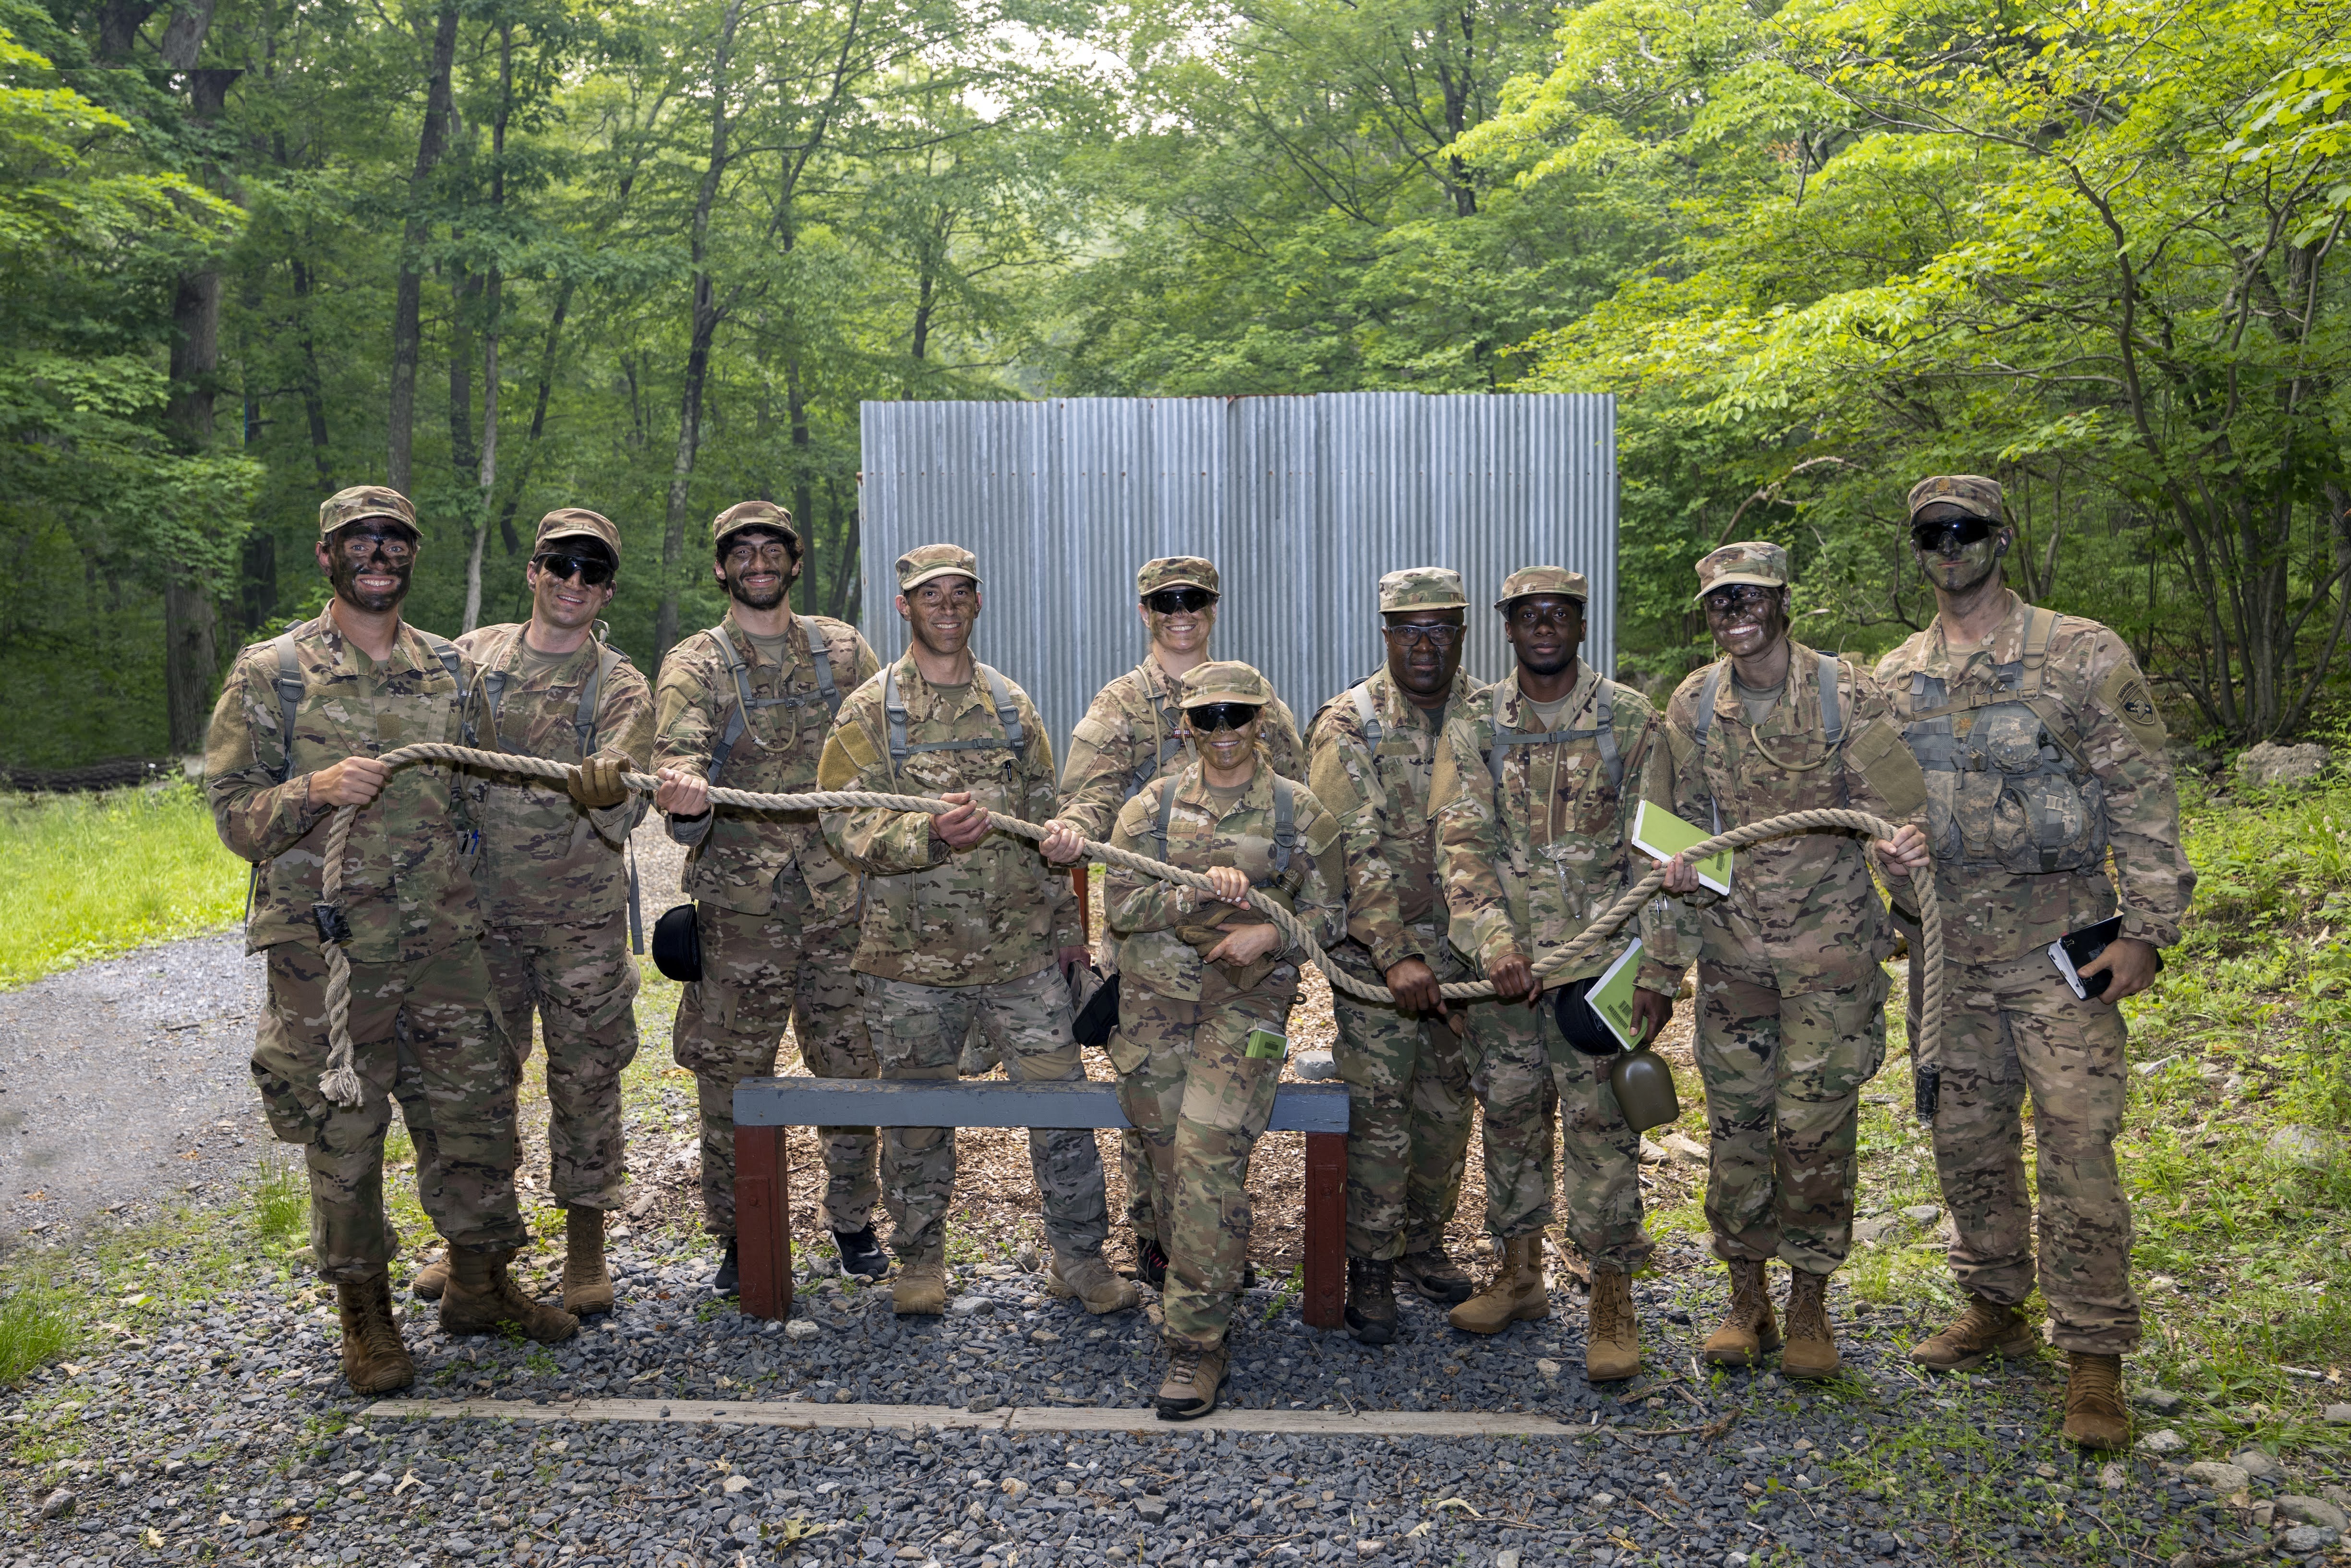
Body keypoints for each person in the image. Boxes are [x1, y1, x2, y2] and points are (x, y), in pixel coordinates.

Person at [205, 485, 573, 1397]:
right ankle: (364, 1317)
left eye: (394, 540)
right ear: (327, 556)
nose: (378, 553)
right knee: (345, 1130)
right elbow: (233, 817)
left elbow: (485, 791)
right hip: (328, 950)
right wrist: (314, 789)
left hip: (444, 939)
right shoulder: (273, 672)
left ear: (412, 555)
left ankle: (481, 1285)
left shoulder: (451, 671)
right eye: (358, 541)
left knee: (475, 1110)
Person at [1876, 475, 2194, 1449]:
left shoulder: (2079, 653)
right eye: (1934, 535)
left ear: (2000, 540)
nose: (1951, 549)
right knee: (1964, 1141)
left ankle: (2093, 1355)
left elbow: (2140, 787)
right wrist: (1890, 860)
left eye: (1968, 532)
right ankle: (1994, 1302)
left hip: (2062, 946)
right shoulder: (1893, 678)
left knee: (2077, 1148)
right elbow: (1878, 807)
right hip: (1950, 956)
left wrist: (2146, 927)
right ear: (1917, 550)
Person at [817, 543, 1134, 1317]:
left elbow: (1043, 827)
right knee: (917, 1120)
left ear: (977, 603)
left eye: (961, 593)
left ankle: (1080, 1260)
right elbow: (838, 821)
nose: (947, 607)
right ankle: (920, 1260)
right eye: (932, 596)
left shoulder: (1009, 706)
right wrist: (926, 838)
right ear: (905, 608)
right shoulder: (870, 710)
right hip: (909, 964)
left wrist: (1068, 929)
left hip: (1019, 957)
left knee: (1062, 1110)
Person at [1658, 542, 1930, 1378]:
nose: (1734, 611)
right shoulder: (1694, 704)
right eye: (1718, 601)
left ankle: (1811, 1301)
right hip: (1734, 954)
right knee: (1737, 1129)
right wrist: (1675, 867)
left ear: (1782, 603)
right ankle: (1747, 1301)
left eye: (1749, 596)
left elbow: (1901, 811)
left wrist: (1902, 864)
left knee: (1813, 1129)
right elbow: (1674, 820)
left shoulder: (1844, 692)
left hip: (1829, 957)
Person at [1429, 566, 1696, 1381]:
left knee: (1600, 1131)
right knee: (1508, 1119)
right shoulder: (1474, 721)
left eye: (1559, 615)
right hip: (1507, 971)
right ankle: (1519, 1274)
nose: (1543, 627)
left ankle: (1611, 1295)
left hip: (1599, 967)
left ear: (1579, 624)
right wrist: (1494, 945)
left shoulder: (1628, 719)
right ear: (1507, 628)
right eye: (1527, 616)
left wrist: (1658, 967)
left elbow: (1668, 850)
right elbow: (1459, 842)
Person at [397, 510, 652, 1316]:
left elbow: (628, 777)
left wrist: (611, 777)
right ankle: (470, 1244)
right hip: (476, 916)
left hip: (579, 920)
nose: (574, 582)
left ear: (606, 588)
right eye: (560, 565)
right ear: (534, 572)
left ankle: (584, 1248)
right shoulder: (470, 660)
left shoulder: (620, 683)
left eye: (591, 570)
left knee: (587, 1077)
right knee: (473, 1082)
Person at [649, 501, 885, 1293]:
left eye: (771, 550)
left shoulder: (844, 650)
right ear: (721, 567)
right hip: (740, 916)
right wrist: (683, 787)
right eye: (741, 552)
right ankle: (741, 1232)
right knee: (733, 1079)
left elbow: (883, 745)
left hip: (839, 905)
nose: (757, 562)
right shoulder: (697, 661)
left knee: (850, 1068)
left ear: (794, 559)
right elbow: (677, 746)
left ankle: (853, 1219)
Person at [1051, 556, 1307, 1285]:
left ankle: (1212, 1239)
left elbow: (1297, 802)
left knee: (1224, 1111)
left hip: (1243, 944)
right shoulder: (1122, 705)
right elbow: (1088, 796)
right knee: (1154, 1106)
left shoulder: (1254, 697)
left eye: (1193, 599)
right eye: (1165, 601)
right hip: (1155, 934)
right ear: (1144, 611)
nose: (1180, 612)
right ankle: (1162, 1241)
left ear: (1214, 606)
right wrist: (1073, 829)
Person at [1101, 662, 1344, 1418]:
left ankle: (1194, 1346)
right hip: (1154, 1009)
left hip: (1245, 1009)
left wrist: (1270, 932)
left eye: (1237, 716)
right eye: (1207, 719)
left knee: (1207, 1157)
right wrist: (1192, 891)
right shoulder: (1149, 809)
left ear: (1262, 719)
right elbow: (1119, 905)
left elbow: (1335, 912)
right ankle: (1193, 1269)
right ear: (1185, 726)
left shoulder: (1298, 813)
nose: (1224, 733)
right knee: (1169, 1164)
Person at [1302, 568, 1488, 1342]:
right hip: (1381, 960)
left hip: (1472, 953)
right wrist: (1394, 955)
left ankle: (1422, 1239)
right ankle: (1369, 1263)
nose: (1424, 644)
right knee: (1380, 1108)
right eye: (1409, 630)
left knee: (1447, 1104)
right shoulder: (1351, 721)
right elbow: (1353, 844)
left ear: (1461, 634)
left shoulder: (1492, 712)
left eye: (1441, 629)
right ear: (1384, 636)